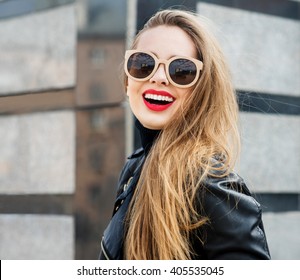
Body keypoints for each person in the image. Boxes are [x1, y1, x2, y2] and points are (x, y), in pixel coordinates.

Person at [99, 9, 271, 260]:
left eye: (181, 70)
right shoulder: (135, 167)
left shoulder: (209, 186)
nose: (158, 78)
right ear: (128, 81)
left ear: (202, 90)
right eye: (143, 64)